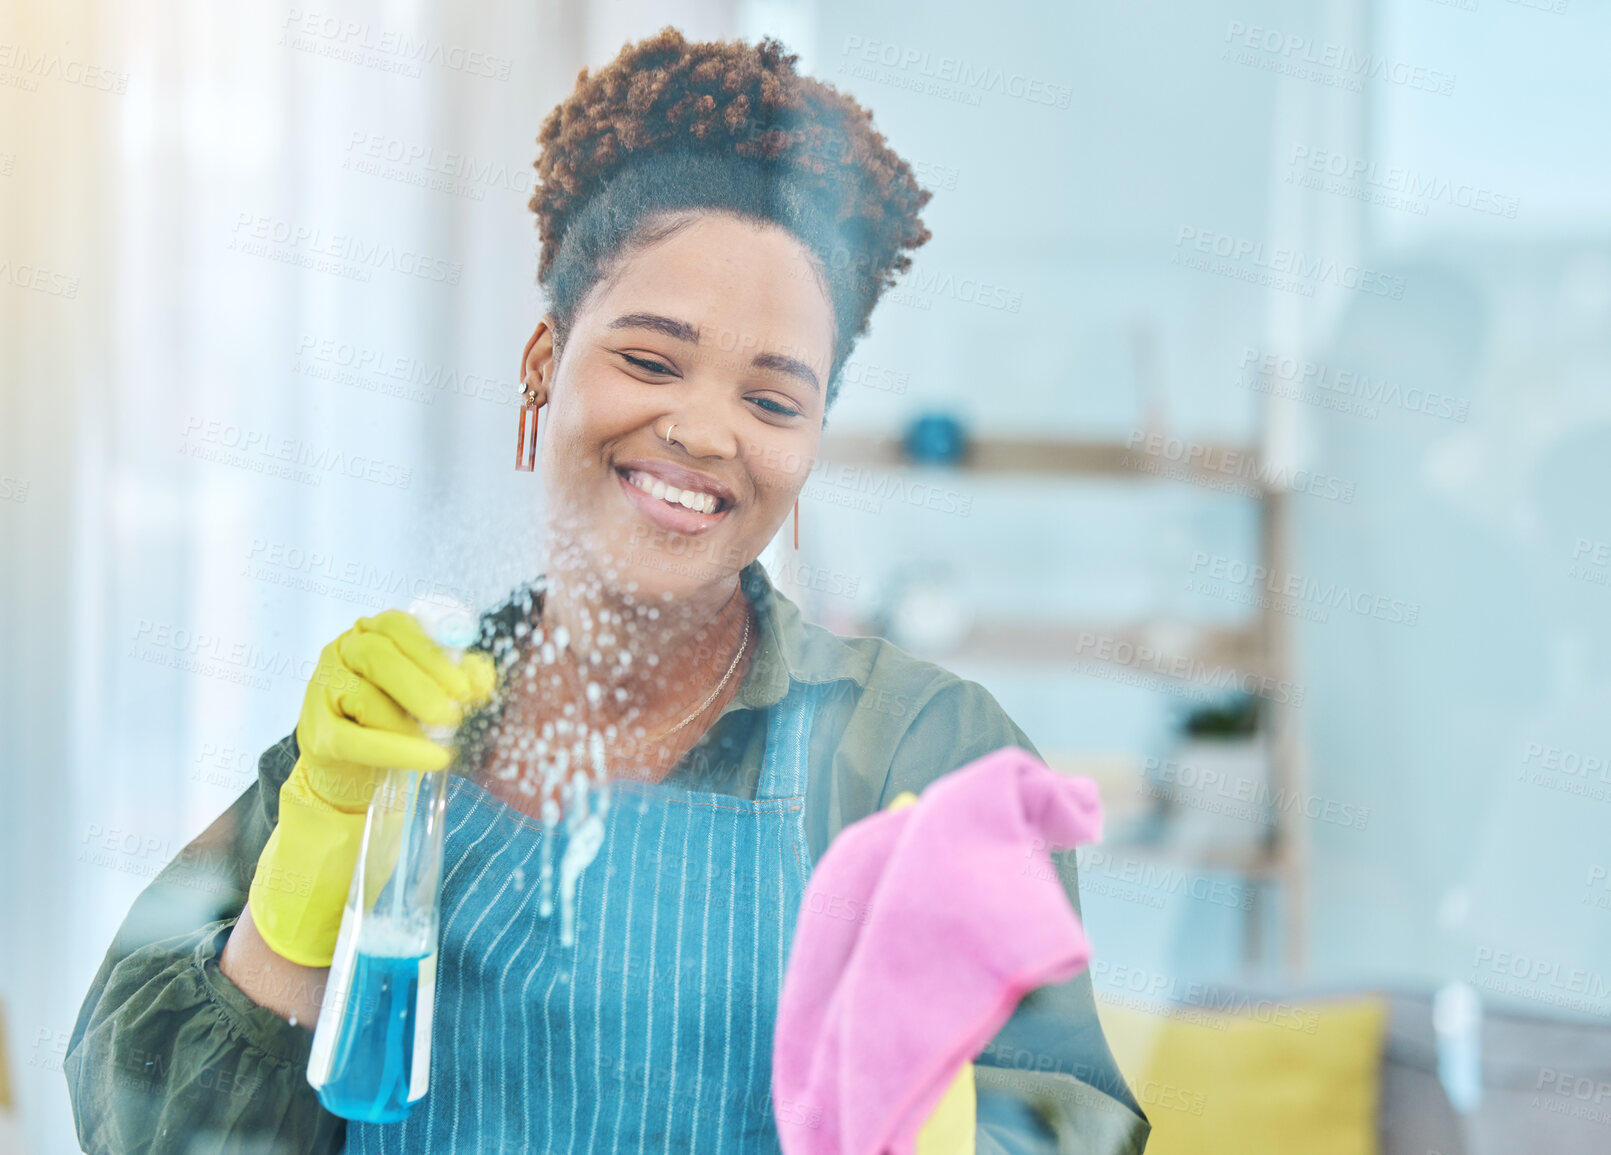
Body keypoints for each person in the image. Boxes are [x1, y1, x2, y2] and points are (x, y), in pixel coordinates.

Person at [64, 27, 1151, 1155]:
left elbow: (1061, 1126)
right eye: (649, 359)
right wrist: (304, 883)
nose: (700, 430)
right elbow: (147, 1134)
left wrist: (922, 1083)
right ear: (545, 360)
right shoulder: (390, 732)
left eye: (774, 401)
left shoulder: (923, 753)